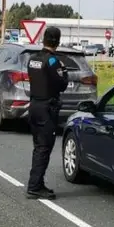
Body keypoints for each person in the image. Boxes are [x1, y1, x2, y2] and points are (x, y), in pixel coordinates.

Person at [25, 26, 69, 200]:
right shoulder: (52, 61)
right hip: (47, 108)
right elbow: (62, 84)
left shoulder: (32, 59)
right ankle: (34, 186)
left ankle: (37, 183)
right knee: (44, 148)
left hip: (34, 105)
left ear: (44, 39)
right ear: (57, 41)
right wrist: (64, 71)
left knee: (38, 147)